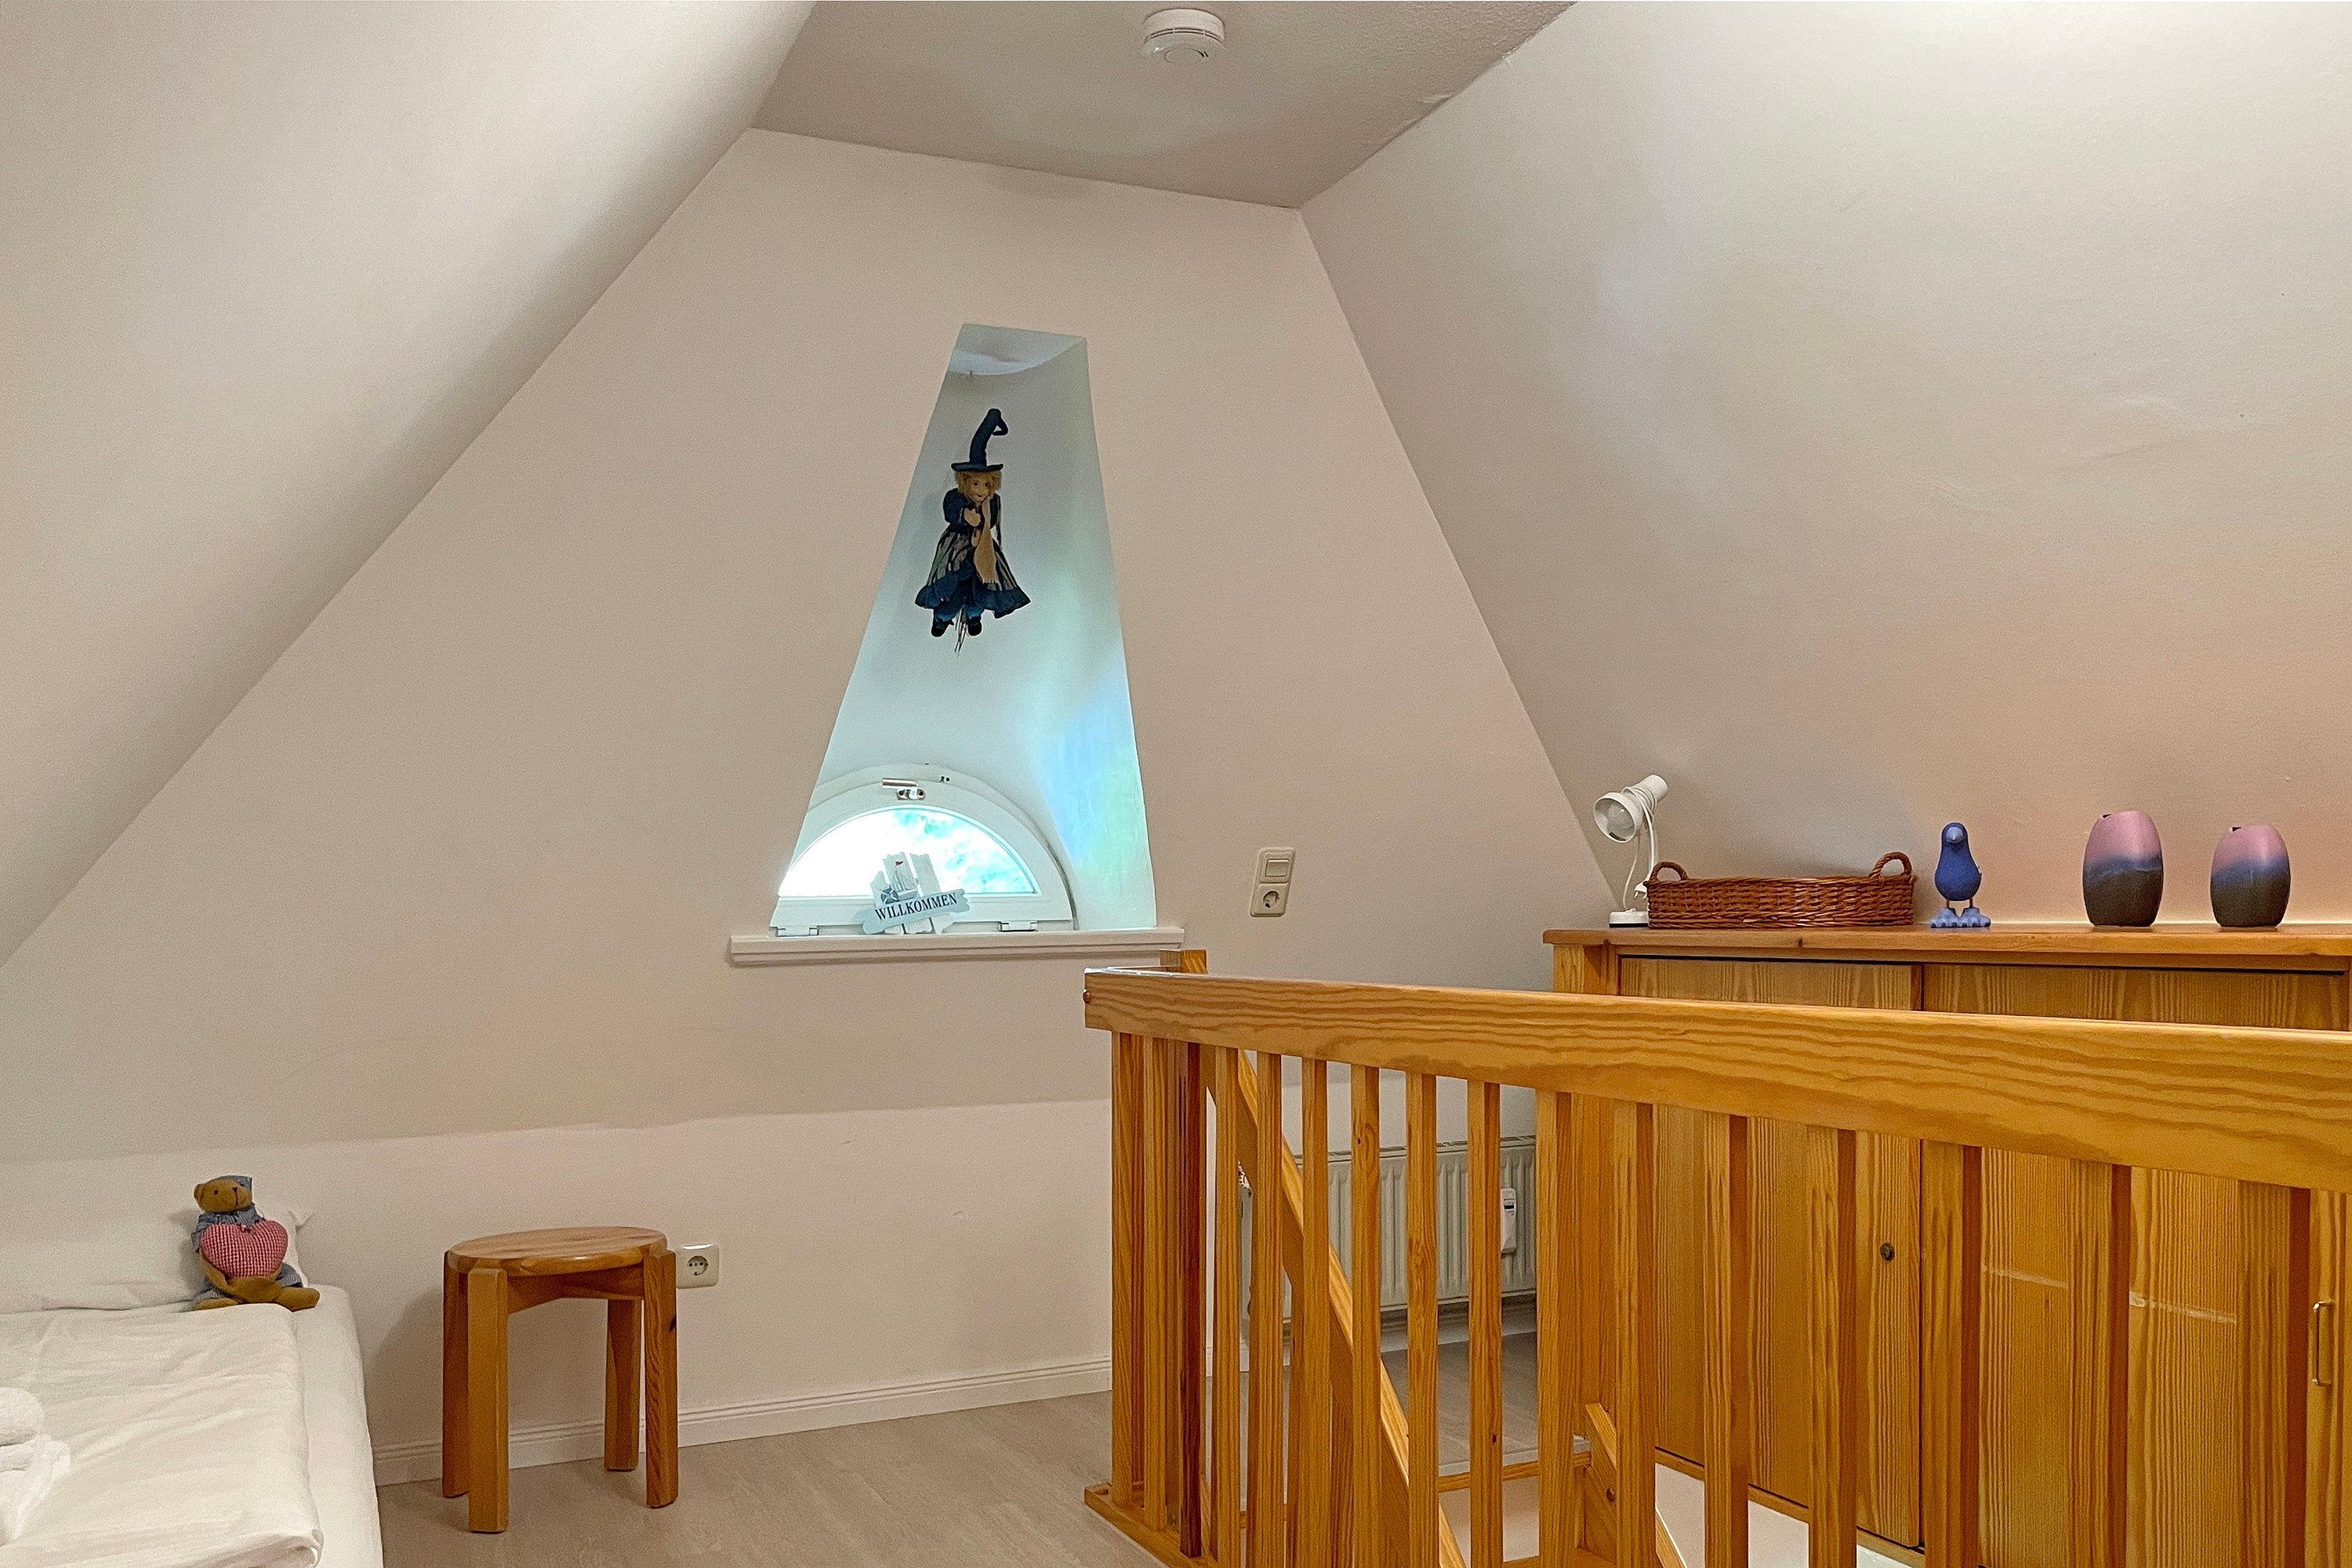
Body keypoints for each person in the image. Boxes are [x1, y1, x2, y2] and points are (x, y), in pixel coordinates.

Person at [916, 407, 1030, 641]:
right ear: (965, 482)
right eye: (976, 484)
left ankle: (974, 615)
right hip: (957, 545)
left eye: (986, 485)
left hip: (983, 545)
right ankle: (942, 617)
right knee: (953, 583)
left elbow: (993, 522)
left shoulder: (993, 501)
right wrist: (965, 516)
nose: (981, 490)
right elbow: (950, 511)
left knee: (981, 586)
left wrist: (982, 530)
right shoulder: (955, 497)